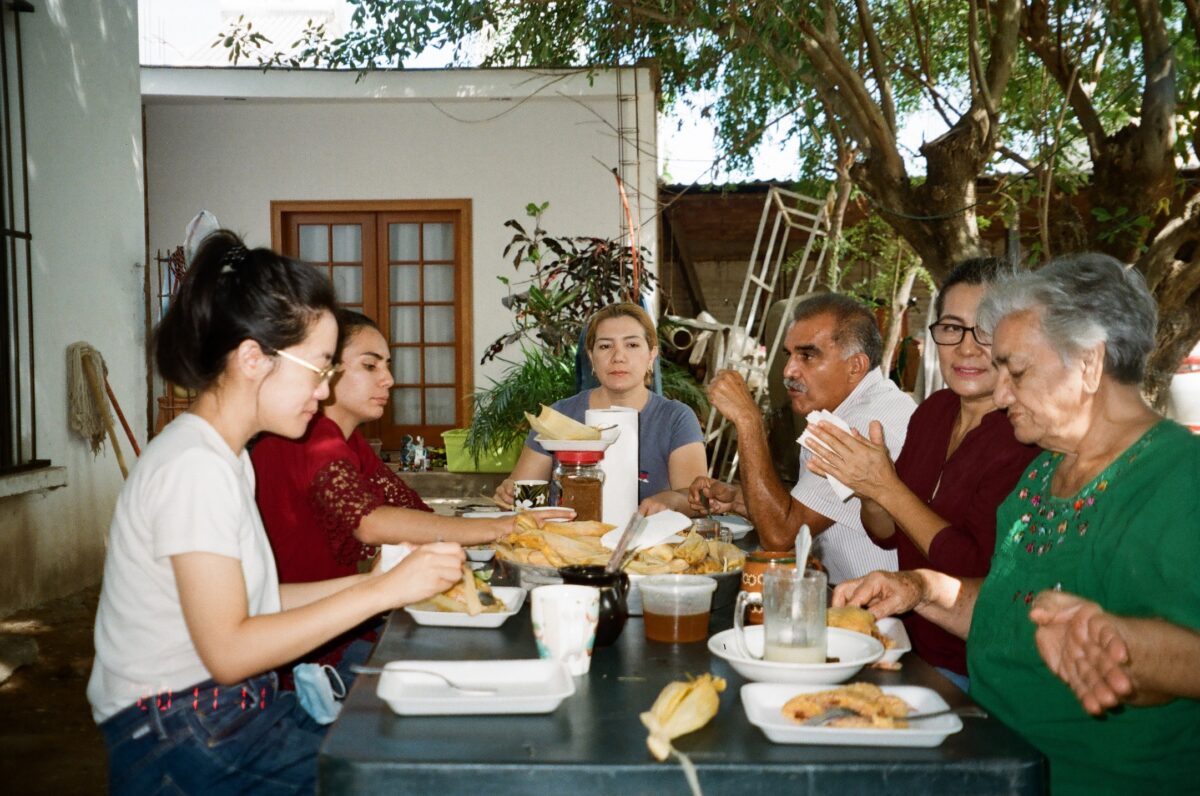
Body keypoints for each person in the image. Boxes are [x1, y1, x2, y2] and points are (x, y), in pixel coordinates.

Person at [87, 231, 466, 795]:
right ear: (251, 359)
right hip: (180, 731)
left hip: (223, 714)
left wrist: (380, 577)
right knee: (405, 778)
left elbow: (259, 601)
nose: (325, 389)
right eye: (319, 368)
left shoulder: (225, 457)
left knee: (414, 746)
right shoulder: (194, 467)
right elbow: (231, 650)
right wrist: (380, 593)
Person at [833, 253, 1200, 793]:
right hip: (995, 755)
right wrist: (919, 589)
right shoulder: (1044, 471)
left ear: (1089, 363)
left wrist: (1121, 641)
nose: (1002, 394)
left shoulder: (1177, 477)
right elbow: (1011, 605)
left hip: (1093, 779)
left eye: (1018, 371)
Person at [804, 258, 1038, 689]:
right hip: (905, 644)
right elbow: (887, 533)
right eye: (951, 328)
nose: (966, 348)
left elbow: (972, 565)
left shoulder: (1023, 434)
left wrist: (886, 486)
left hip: (974, 665)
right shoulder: (934, 411)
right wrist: (867, 489)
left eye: (985, 329)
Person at [253, 309, 571, 586]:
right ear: (326, 367)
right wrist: (500, 526)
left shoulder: (349, 440)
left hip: (338, 616)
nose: (388, 379)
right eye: (370, 366)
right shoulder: (312, 436)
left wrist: (494, 529)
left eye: (387, 366)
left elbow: (413, 513)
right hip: (302, 634)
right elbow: (370, 523)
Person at [689, 293, 916, 583]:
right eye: (789, 355)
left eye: (807, 356)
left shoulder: (860, 425)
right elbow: (809, 513)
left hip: (871, 612)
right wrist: (739, 500)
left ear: (855, 366)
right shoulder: (862, 405)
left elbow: (781, 536)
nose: (788, 371)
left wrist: (749, 421)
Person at [494, 303, 708, 516]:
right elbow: (523, 494)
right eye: (605, 346)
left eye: (632, 345)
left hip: (647, 544)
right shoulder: (559, 415)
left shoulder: (676, 418)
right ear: (591, 356)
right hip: (569, 542)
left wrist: (671, 500)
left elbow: (696, 501)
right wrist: (510, 494)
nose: (618, 357)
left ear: (652, 355)